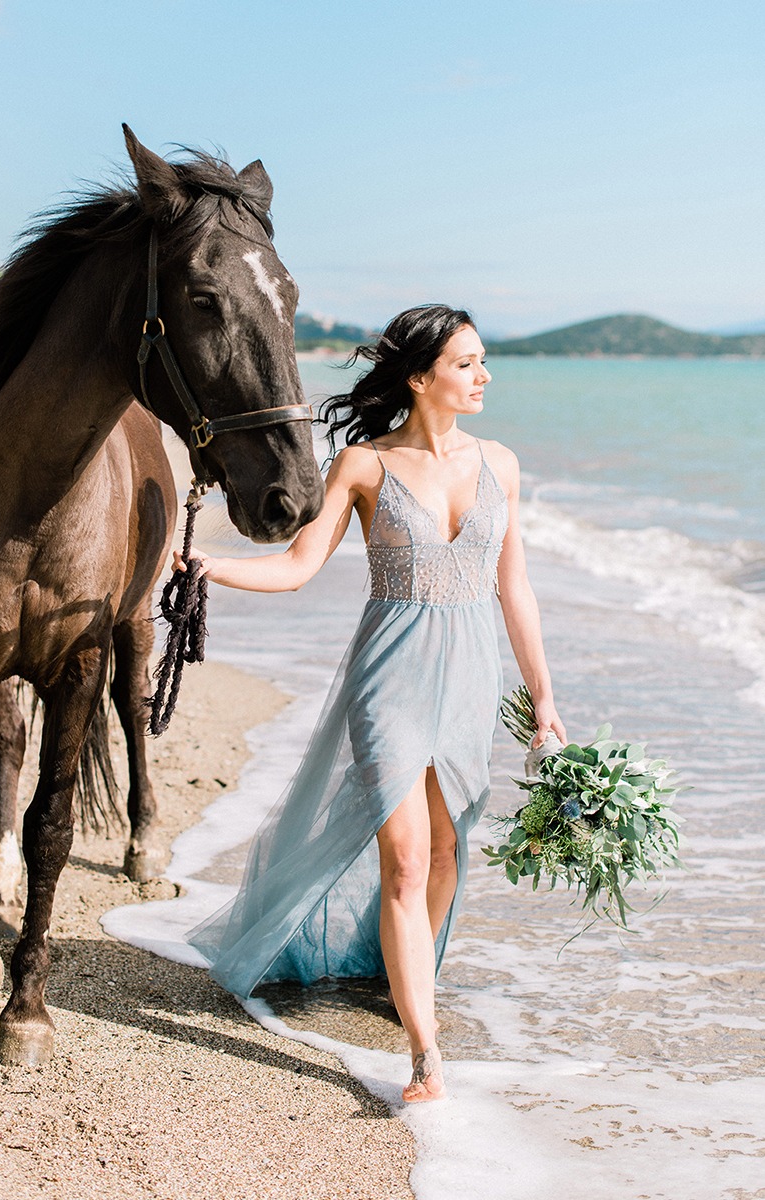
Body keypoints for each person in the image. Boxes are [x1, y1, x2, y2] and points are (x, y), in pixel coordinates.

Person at [176, 304, 566, 1103]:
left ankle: (407, 978)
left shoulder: (503, 463)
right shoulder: (362, 464)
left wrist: (545, 699)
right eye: (468, 363)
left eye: (484, 360)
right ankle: (425, 1055)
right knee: (406, 857)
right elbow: (296, 566)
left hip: (468, 681)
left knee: (449, 857)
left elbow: (513, 588)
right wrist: (207, 567)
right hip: (389, 679)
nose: (484, 375)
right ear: (421, 378)